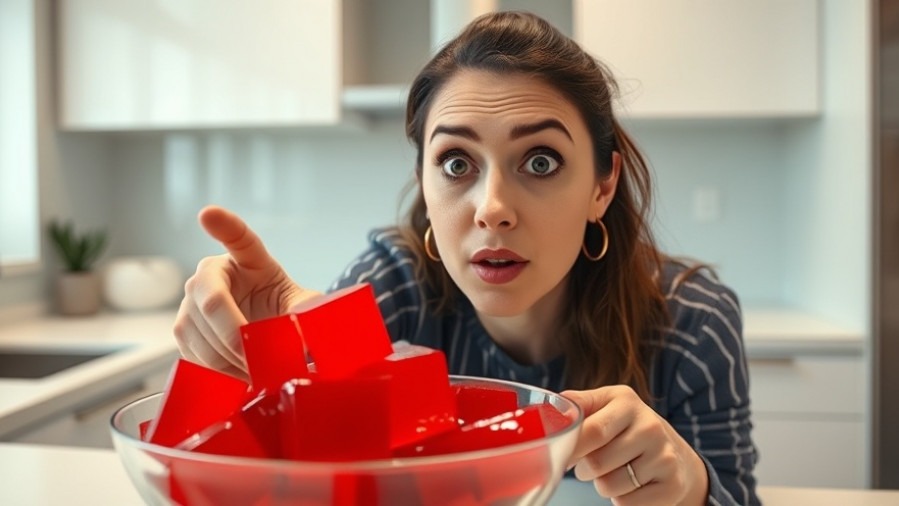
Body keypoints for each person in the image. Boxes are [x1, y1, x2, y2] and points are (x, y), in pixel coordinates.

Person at [174, 10, 759, 506]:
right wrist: (258, 378)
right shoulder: (389, 291)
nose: (493, 209)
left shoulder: (691, 321)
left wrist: (691, 488)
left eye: (541, 161)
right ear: (423, 183)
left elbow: (736, 494)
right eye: (457, 163)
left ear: (601, 186)